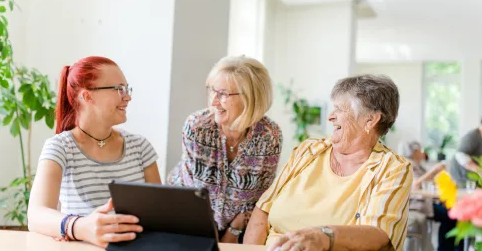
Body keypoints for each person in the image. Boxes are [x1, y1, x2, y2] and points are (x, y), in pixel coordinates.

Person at [244, 74, 412, 251]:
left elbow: (378, 235)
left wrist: (324, 236)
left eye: (339, 109)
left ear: (370, 120)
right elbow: (263, 211)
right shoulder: (308, 151)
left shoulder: (392, 168)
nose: (330, 117)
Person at [28, 56, 161, 248]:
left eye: (127, 88)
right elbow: (36, 215)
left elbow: (160, 215)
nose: (128, 97)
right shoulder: (60, 148)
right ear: (87, 96)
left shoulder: (140, 147)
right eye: (119, 89)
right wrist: (81, 227)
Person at [167, 55, 282, 244]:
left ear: (250, 98)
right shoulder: (197, 127)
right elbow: (192, 193)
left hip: (239, 227)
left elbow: (261, 198)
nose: (214, 102)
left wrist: (233, 230)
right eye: (213, 91)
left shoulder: (269, 136)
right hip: (186, 220)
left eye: (223, 94)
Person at [398, 140, 447, 251]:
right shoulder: (407, 164)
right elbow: (416, 185)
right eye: (420, 150)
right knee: (450, 216)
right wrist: (434, 170)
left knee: (451, 213)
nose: (423, 153)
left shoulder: (418, 165)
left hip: (425, 202)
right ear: (413, 152)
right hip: (416, 205)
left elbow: (429, 182)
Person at [450, 121, 482, 186]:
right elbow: (460, 155)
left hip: (471, 177)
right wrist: (479, 171)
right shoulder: (473, 136)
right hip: (461, 175)